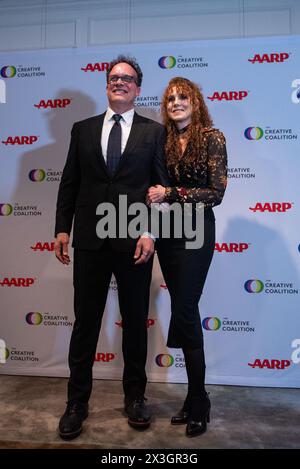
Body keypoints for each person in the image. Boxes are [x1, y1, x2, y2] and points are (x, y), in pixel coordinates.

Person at [54, 55, 169, 440]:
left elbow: (159, 187)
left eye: (128, 79)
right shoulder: (81, 129)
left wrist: (151, 230)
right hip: (89, 239)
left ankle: (136, 397)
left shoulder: (154, 133)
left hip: (135, 240)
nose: (119, 82)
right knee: (86, 323)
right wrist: (61, 229)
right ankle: (76, 402)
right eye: (114, 78)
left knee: (135, 322)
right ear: (107, 85)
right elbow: (69, 181)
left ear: (137, 88)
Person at [147, 77, 227, 437]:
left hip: (198, 232)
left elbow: (215, 193)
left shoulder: (212, 137)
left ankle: (198, 399)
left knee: (184, 309)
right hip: (168, 234)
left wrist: (171, 192)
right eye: (169, 99)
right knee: (187, 311)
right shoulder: (163, 141)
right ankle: (197, 397)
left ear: (196, 101)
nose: (175, 102)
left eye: (182, 97)